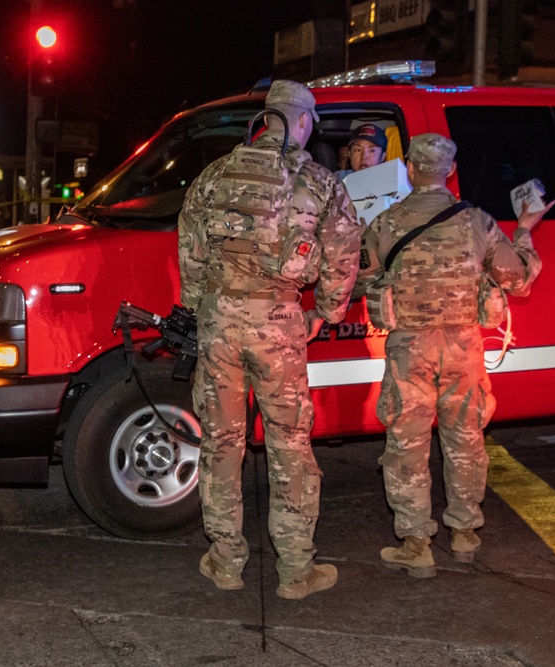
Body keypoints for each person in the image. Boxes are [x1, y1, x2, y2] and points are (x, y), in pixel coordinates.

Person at [177, 80, 360, 600]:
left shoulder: (214, 176)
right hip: (280, 321)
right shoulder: (319, 182)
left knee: (221, 444)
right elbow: (345, 253)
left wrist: (202, 304)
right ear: (301, 122)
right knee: (289, 444)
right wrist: (325, 313)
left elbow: (189, 250)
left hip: (218, 322)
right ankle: (296, 569)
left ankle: (226, 559)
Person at [354, 133, 553, 578]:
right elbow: (518, 278)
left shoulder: (388, 222)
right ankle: (464, 533)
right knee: (465, 439)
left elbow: (361, 281)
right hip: (464, 345)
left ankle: (416, 542)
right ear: (450, 171)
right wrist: (524, 228)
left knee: (408, 443)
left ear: (409, 169)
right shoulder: (477, 222)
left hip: (411, 347)